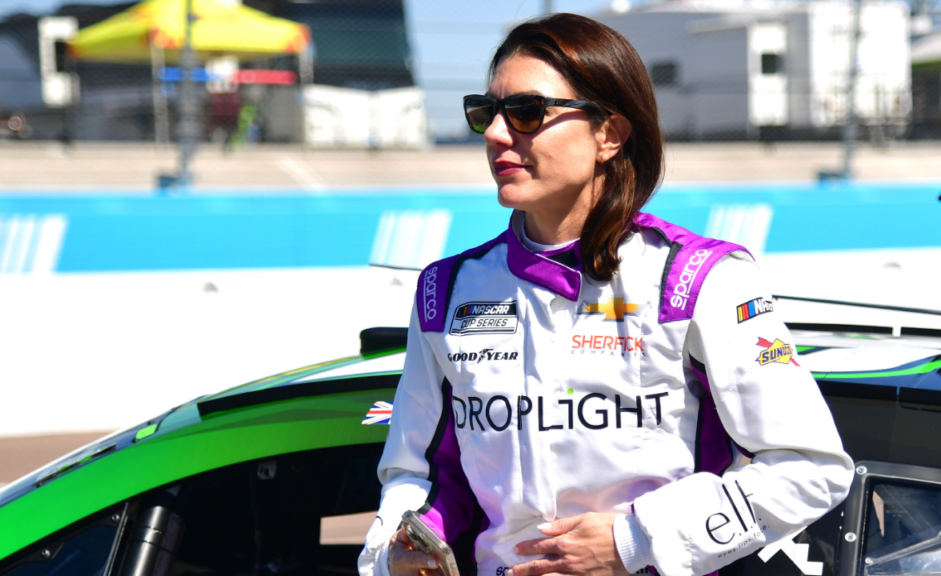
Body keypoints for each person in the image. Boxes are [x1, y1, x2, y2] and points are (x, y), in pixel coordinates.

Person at [358, 13, 853, 576]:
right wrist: (397, 551)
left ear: (609, 134)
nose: (496, 133)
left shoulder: (699, 279)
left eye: (525, 112)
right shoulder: (444, 293)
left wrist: (632, 540)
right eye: (485, 112)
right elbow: (413, 476)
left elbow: (810, 469)